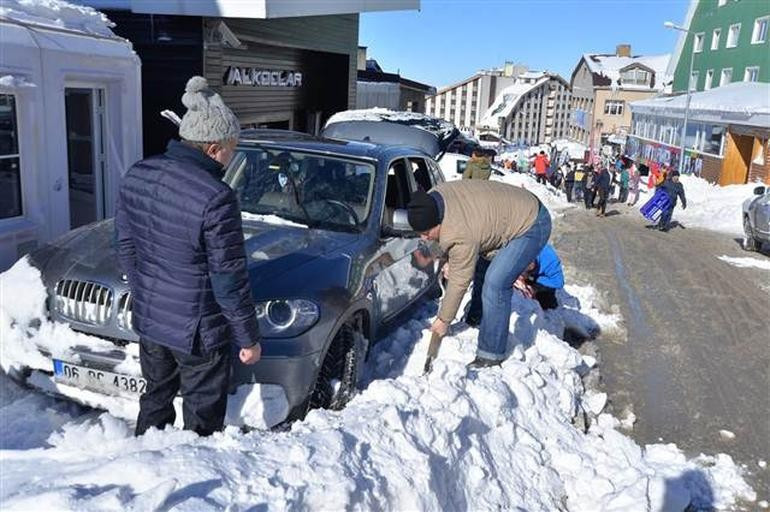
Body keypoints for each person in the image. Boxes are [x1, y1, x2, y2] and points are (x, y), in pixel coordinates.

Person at [116, 76, 262, 437]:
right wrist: (248, 338)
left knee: (155, 398)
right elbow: (228, 277)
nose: (232, 156)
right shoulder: (216, 197)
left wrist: (145, 296)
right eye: (232, 147)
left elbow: (126, 247)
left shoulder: (138, 174)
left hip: (151, 320)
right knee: (201, 416)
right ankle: (191, 480)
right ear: (213, 148)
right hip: (198, 332)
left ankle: (145, 462)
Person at [406, 180, 551, 368]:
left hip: (531, 223)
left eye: (426, 232)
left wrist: (443, 320)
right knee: (483, 267)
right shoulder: (431, 202)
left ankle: (491, 353)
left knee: (496, 283)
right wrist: (434, 253)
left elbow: (459, 280)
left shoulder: (460, 233)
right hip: (501, 216)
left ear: (438, 222)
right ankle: (477, 317)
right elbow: (444, 240)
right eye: (420, 233)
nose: (423, 238)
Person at [513, 244, 564, 310]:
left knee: (548, 303)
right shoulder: (517, 250)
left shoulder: (550, 258)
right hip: (530, 276)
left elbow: (559, 282)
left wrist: (535, 285)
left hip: (541, 280)